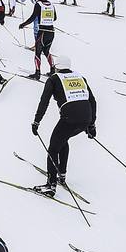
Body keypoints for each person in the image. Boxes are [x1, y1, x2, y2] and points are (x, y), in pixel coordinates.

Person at [30, 55, 96, 194]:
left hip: (69, 119)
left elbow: (44, 102)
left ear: (56, 66)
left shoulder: (53, 79)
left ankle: (51, 185)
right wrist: (91, 125)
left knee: (53, 148)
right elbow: (93, 101)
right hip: (85, 119)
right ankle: (62, 174)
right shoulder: (80, 78)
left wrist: (37, 121)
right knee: (62, 139)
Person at [18, 0, 58, 79]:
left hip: (42, 32)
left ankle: (37, 73)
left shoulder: (38, 5)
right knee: (47, 51)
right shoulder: (52, 4)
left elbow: (32, 17)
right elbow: (54, 18)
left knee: (37, 53)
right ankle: (52, 70)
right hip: (51, 32)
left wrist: (23, 24)